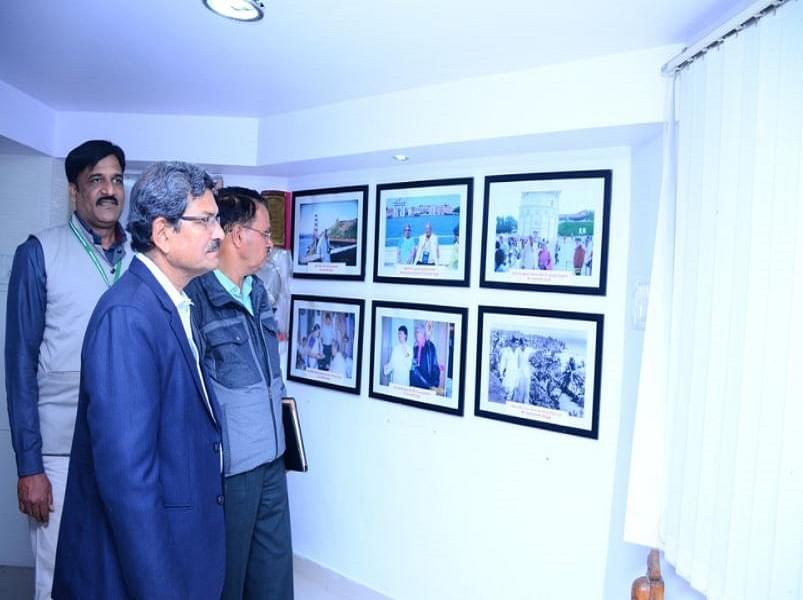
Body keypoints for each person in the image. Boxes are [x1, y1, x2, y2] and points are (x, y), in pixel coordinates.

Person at [52, 161, 226, 599]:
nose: (220, 233)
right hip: (141, 575)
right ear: (163, 232)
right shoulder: (128, 316)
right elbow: (128, 480)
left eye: (218, 219)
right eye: (206, 220)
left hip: (180, 551)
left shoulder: (171, 303)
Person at [4, 139, 131, 600]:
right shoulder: (39, 252)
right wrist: (30, 467)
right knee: (57, 575)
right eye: (96, 180)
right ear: (74, 191)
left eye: (116, 179)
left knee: (120, 572)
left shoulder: (142, 258)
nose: (109, 190)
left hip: (127, 450)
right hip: (59, 453)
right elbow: (19, 366)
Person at [186, 187, 293, 600]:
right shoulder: (197, 299)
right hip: (231, 472)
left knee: (274, 579)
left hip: (272, 460)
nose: (270, 243)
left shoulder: (259, 292)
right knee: (227, 580)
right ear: (235, 235)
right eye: (264, 233)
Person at [409, 324, 440, 389]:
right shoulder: (415, 347)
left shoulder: (430, 346)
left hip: (425, 382)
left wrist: (435, 383)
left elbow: (435, 364)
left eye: (417, 332)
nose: (415, 334)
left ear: (423, 333)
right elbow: (413, 364)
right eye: (415, 332)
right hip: (415, 381)